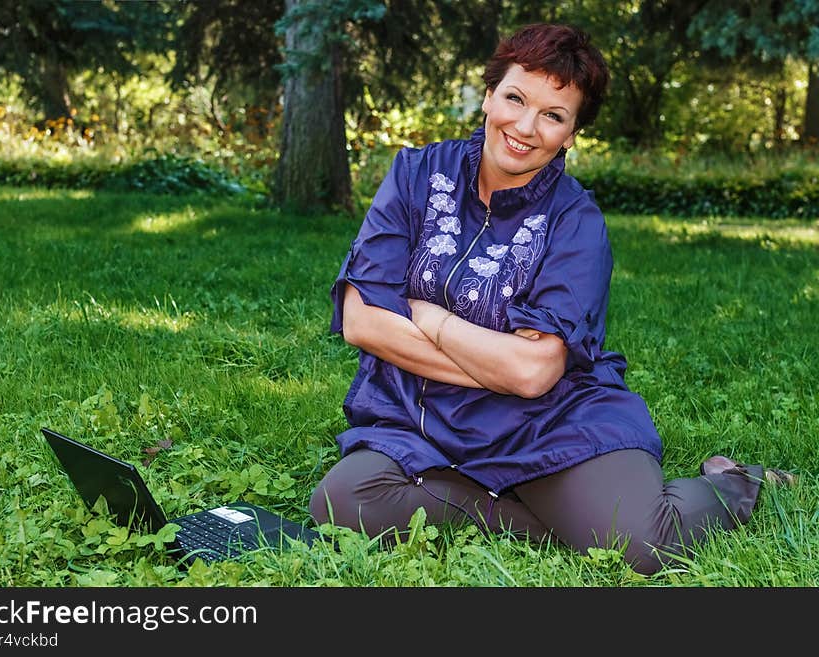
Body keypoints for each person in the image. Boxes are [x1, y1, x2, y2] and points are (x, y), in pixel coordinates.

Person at [308, 22, 795, 576]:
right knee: (340, 503)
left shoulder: (576, 221)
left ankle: (732, 482)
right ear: (489, 95)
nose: (525, 126)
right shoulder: (415, 175)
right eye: (515, 98)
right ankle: (547, 522)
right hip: (418, 417)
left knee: (642, 545)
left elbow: (536, 376)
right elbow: (362, 323)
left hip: (546, 421)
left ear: (570, 135)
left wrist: (430, 318)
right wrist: (502, 364)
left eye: (553, 115)